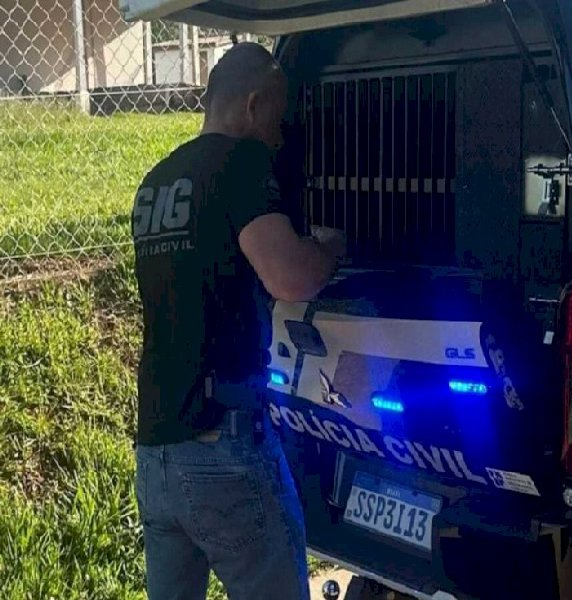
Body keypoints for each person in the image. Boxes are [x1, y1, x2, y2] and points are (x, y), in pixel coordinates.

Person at [131, 42, 345, 600]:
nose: (279, 138)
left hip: (156, 450)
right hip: (221, 446)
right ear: (252, 106)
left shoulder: (157, 181)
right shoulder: (241, 162)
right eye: (276, 119)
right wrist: (328, 247)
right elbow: (291, 278)